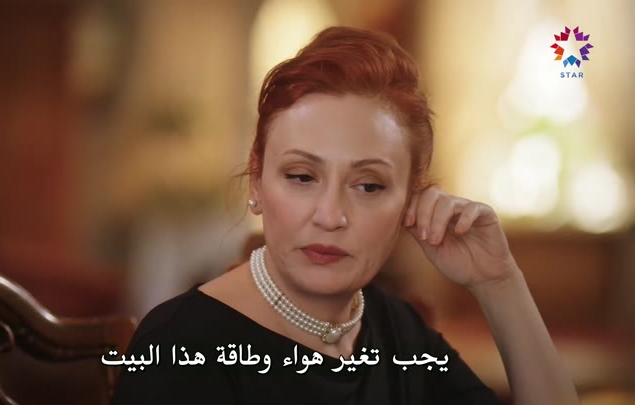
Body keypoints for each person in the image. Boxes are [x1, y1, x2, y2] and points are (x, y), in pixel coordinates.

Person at [110, 26, 579, 405]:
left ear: (409, 203)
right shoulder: (179, 347)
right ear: (256, 182)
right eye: (301, 177)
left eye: (369, 186)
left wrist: (499, 282)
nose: (331, 216)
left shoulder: (400, 333)